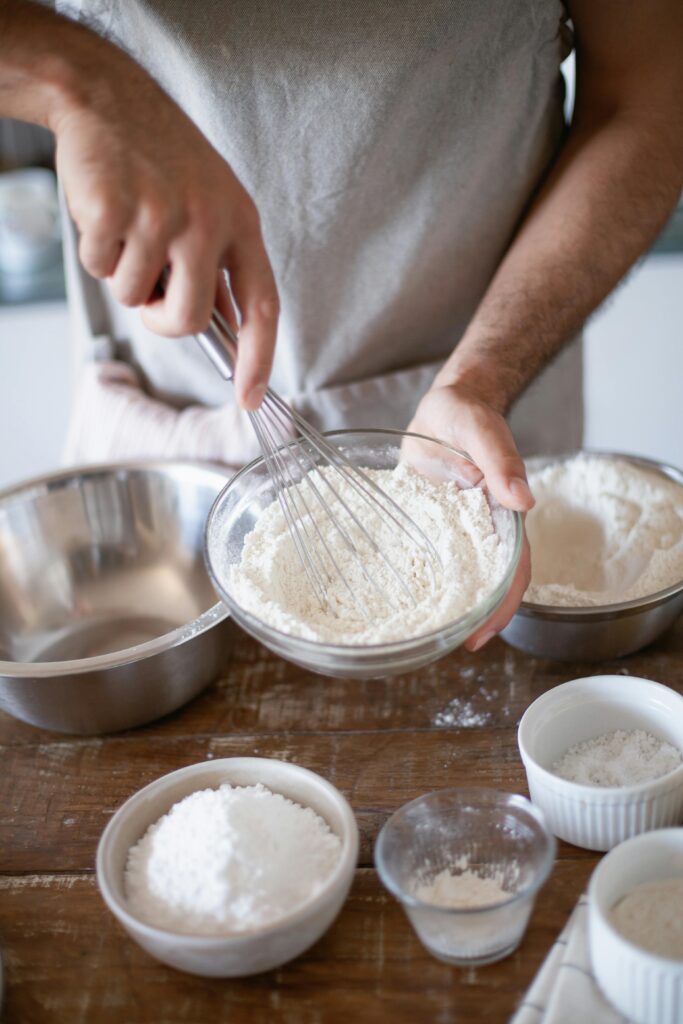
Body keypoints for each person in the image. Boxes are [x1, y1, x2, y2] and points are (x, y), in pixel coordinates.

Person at [1, 0, 681, 650]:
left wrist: (482, 377)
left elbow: (642, 92)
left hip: (482, 410)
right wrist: (76, 82)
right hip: (169, 441)